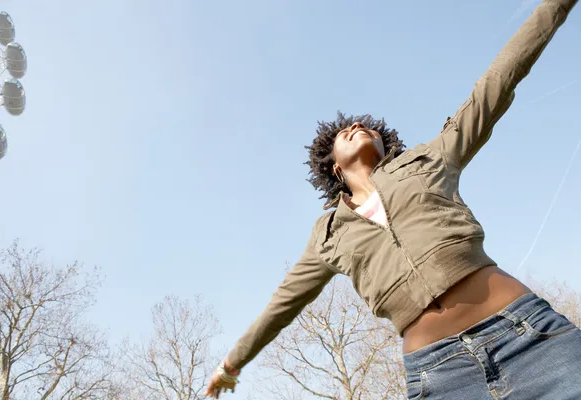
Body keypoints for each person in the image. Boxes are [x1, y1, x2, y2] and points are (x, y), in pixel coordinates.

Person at [205, 0, 580, 398]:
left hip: (529, 339)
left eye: (368, 127)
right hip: (440, 375)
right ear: (334, 167)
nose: (356, 125)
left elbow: (499, 79)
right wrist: (231, 364)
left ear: (386, 147)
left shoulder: (431, 158)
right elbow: (281, 306)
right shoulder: (327, 235)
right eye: (344, 131)